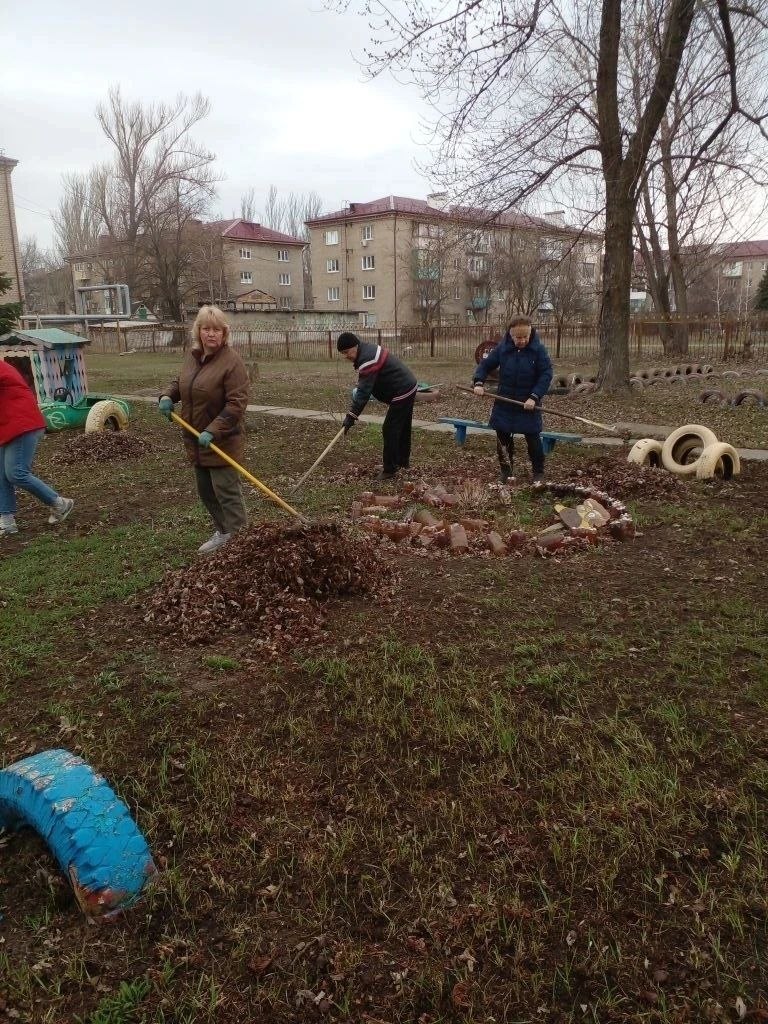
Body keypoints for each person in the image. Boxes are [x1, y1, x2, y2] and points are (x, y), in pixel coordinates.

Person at [158, 305, 249, 554]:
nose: (211, 334)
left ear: (224, 333)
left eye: (217, 329)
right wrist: (167, 396)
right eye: (206, 328)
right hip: (195, 440)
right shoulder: (193, 355)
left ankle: (241, 544)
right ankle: (224, 533)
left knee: (227, 494)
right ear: (198, 331)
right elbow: (182, 381)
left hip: (222, 441)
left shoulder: (232, 363)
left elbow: (236, 404)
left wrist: (213, 430)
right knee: (206, 492)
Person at [472, 315, 553, 485]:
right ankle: (506, 471)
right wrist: (479, 382)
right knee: (502, 437)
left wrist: (534, 396)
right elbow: (485, 365)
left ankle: (538, 472)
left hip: (528, 402)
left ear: (530, 334)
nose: (522, 341)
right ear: (511, 335)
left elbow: (546, 374)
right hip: (505, 401)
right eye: (518, 337)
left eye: (525, 337)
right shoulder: (503, 348)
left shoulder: (538, 350)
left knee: (533, 438)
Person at [0, 358, 74, 537]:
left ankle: (59, 503)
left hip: (22, 423)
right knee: (1, 474)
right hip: (6, 426)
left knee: (16, 472)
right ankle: (7, 521)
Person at [337, 332, 418, 480]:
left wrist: (351, 417)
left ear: (354, 346)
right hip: (407, 386)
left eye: (346, 352)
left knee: (390, 428)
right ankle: (401, 461)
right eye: (343, 353)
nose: (346, 356)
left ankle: (390, 470)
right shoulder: (366, 351)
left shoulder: (367, 358)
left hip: (403, 389)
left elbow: (363, 392)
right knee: (402, 426)